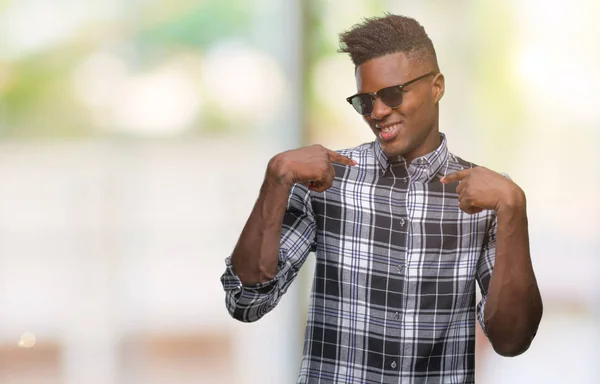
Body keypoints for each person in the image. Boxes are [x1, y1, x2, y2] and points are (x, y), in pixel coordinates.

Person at [220, 13, 543, 384]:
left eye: (392, 94)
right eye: (365, 101)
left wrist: (514, 207)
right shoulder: (327, 184)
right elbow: (246, 303)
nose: (378, 112)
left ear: (436, 86)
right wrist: (275, 180)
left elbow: (512, 340)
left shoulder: (489, 198)